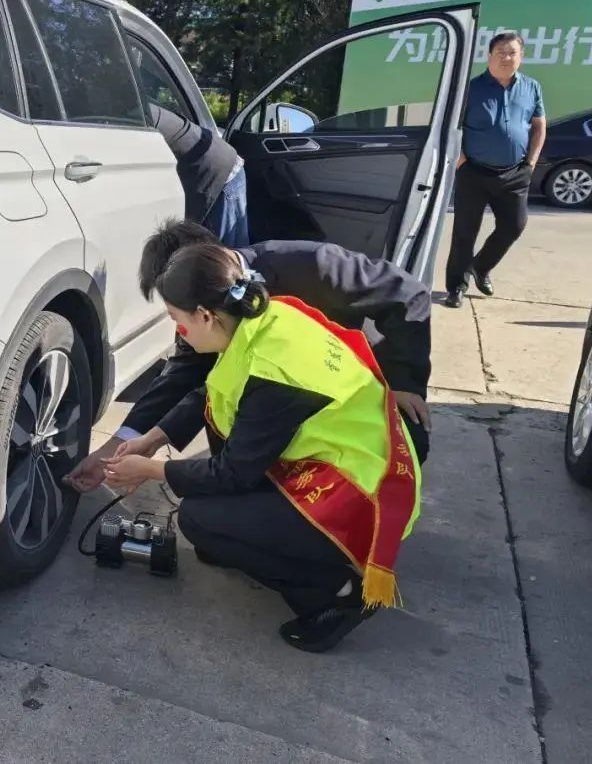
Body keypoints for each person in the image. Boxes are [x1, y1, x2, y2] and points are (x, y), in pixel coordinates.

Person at [100, 244, 423, 652]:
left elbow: (233, 473)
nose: (179, 334)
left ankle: (336, 595)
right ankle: (251, 538)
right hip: (345, 460)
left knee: (198, 518)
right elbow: (219, 389)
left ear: (205, 315)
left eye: (178, 323)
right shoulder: (266, 318)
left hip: (357, 494)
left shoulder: (275, 374)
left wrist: (151, 471)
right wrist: (152, 439)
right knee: (214, 516)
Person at [66, 219, 432, 492]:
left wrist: (403, 382)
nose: (179, 323)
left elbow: (409, 294)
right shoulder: (197, 308)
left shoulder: (309, 266)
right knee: (219, 418)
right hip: (286, 404)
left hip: (356, 392)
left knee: (407, 440)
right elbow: (181, 382)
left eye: (179, 311)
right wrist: (115, 449)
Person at [445, 31, 546, 309]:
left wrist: (531, 163)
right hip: (474, 171)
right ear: (489, 55)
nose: (506, 57)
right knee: (465, 232)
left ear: (521, 57)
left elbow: (538, 125)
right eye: (500, 52)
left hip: (515, 173)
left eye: (512, 52)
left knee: (514, 225)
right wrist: (461, 159)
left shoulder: (531, 87)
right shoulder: (472, 88)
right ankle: (456, 286)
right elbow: (453, 126)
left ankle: (481, 266)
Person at [147, 103, 249, 248]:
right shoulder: (128, 108)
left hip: (222, 173)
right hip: (210, 163)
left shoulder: (134, 114)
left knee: (226, 259)